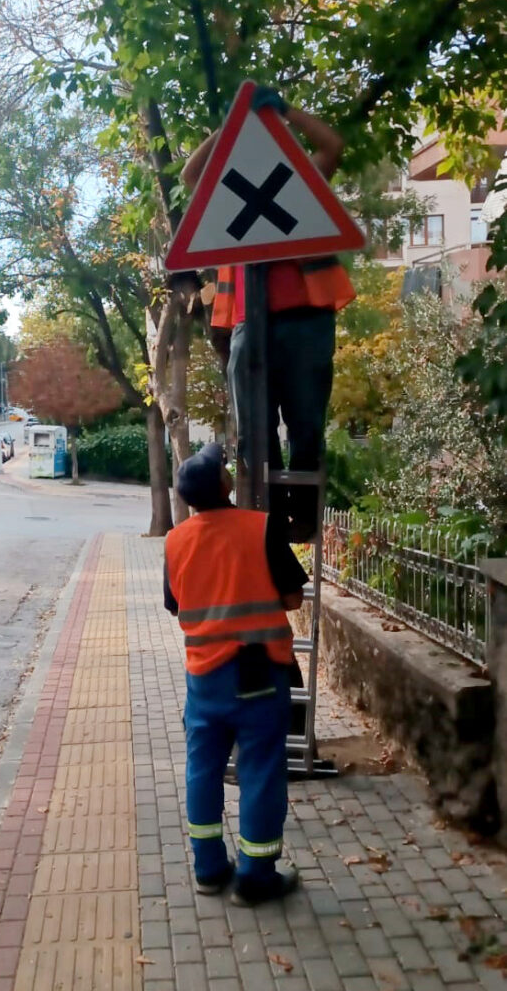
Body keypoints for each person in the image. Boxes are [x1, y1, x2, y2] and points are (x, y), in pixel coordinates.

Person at [182, 87, 356, 541]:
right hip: (248, 325)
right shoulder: (229, 195)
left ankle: (304, 515)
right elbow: (189, 174)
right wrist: (232, 122)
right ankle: (267, 514)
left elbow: (333, 146)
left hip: (306, 320)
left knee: (305, 427)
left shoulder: (302, 183)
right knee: (254, 434)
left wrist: (285, 111)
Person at [164, 442, 308, 904]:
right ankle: (255, 877)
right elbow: (291, 599)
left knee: (202, 770)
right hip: (258, 672)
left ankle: (207, 869)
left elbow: (175, 605)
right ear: (225, 485)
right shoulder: (260, 528)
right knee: (261, 770)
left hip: (203, 678)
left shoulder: (175, 540)